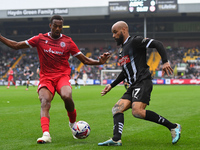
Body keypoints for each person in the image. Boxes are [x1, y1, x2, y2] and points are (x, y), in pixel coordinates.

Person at [0, 15, 110, 144]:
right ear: (50, 26)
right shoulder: (40, 39)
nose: (58, 28)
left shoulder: (68, 42)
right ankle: (46, 134)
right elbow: (16, 45)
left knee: (67, 96)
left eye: (60, 26)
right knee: (45, 101)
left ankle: (73, 124)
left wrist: (99, 62)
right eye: (55, 26)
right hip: (46, 78)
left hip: (62, 76)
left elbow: (84, 60)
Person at [98, 21, 181, 146]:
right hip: (133, 86)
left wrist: (165, 61)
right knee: (116, 109)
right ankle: (116, 139)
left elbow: (158, 43)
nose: (113, 36)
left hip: (143, 82)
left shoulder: (135, 41)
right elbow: (125, 72)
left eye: (115, 32)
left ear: (124, 30)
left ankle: (173, 127)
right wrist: (111, 85)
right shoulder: (122, 50)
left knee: (137, 111)